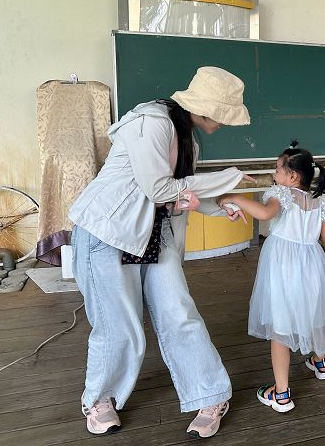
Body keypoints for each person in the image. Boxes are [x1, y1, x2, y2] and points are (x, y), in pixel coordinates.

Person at [68, 67, 252, 438]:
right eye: (223, 114)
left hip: (153, 232)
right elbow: (158, 187)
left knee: (178, 313)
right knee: (116, 325)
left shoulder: (188, 140)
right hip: (108, 230)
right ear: (204, 108)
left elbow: (181, 194)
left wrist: (222, 204)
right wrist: (229, 178)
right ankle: (100, 399)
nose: (224, 123)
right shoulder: (151, 122)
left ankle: (210, 395)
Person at [218, 143, 325, 414]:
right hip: (312, 264)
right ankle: (322, 363)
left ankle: (281, 394)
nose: (274, 173)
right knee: (313, 312)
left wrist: (234, 197)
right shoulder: (318, 202)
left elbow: (265, 213)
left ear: (292, 176)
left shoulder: (282, 193)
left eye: (278, 169)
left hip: (283, 265)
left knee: (281, 323)